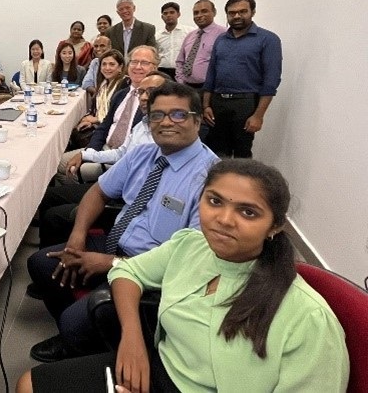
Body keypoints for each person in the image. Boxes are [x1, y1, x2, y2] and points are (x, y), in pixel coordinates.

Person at [19, 160, 349, 393]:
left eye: (247, 212)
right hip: (159, 369)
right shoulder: (190, 245)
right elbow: (128, 270)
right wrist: (133, 341)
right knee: (29, 384)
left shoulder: (308, 318)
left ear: (275, 226)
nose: (224, 219)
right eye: (214, 201)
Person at [27, 82, 219, 362]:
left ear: (197, 120)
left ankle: (81, 340)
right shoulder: (143, 154)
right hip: (115, 242)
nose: (166, 122)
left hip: (152, 269)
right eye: (156, 115)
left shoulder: (211, 178)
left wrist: (112, 265)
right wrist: (78, 236)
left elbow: (189, 259)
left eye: (178, 114)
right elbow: (99, 191)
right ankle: (89, 323)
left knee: (73, 322)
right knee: (41, 263)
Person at [39, 72, 169, 249]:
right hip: (117, 185)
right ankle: (57, 250)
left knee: (53, 216)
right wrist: (86, 155)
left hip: (127, 198)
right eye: (141, 92)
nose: (144, 97)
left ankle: (59, 256)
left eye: (151, 91)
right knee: (48, 197)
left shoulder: (166, 135)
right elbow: (122, 153)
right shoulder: (142, 125)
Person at [56, 46, 158, 186]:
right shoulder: (122, 94)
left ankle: (94, 194)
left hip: (125, 158)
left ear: (156, 67)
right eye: (134, 62)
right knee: (58, 163)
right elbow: (104, 127)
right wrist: (90, 152)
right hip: (105, 147)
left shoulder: (157, 100)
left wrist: (90, 157)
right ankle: (83, 193)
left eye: (145, 63)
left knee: (75, 169)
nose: (138, 67)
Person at [203, 0, 282, 158]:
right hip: (218, 102)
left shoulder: (268, 39)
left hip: (245, 103)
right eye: (232, 13)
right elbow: (211, 73)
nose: (237, 16)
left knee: (242, 153)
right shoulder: (221, 39)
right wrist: (206, 106)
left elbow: (271, 81)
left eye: (242, 11)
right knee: (215, 151)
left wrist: (258, 115)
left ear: (252, 12)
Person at [72, 49, 126, 147]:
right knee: (74, 131)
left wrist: (96, 120)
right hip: (100, 125)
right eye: (104, 64)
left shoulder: (124, 85)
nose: (107, 68)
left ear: (120, 67)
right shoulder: (103, 84)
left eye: (112, 64)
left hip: (111, 132)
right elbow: (95, 109)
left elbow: (120, 116)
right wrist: (88, 120)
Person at [175, 0, 227, 90]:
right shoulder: (190, 35)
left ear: (214, 12)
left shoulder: (224, 34)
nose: (199, 15)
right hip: (187, 87)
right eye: (196, 13)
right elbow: (180, 61)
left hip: (211, 89)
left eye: (204, 11)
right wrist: (181, 81)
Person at [156, 1, 194, 80]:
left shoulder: (189, 32)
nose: (168, 15)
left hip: (183, 71)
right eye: (165, 13)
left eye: (172, 12)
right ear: (162, 16)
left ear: (178, 14)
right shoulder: (157, 36)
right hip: (162, 71)